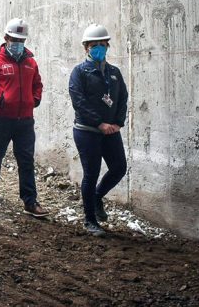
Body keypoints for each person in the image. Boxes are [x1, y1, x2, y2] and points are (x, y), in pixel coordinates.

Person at [0, 18, 48, 218]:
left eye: (21, 39)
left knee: (26, 159)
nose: (18, 43)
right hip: (1, 117)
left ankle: (29, 201)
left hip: (25, 119)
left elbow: (37, 84)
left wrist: (34, 99)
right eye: (14, 39)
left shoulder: (30, 62)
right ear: (6, 38)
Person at [68, 23, 128, 237]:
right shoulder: (79, 72)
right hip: (87, 131)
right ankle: (90, 220)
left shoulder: (114, 73)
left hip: (111, 131)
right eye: (95, 45)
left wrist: (118, 123)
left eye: (103, 45)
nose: (100, 48)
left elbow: (122, 99)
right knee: (91, 173)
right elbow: (79, 102)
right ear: (86, 47)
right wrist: (99, 123)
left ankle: (96, 197)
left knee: (119, 167)